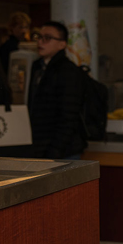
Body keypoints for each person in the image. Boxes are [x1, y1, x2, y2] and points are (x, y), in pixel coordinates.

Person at [27, 21, 86, 159]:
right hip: (39, 144)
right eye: (39, 37)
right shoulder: (38, 67)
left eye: (47, 38)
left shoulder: (68, 71)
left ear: (62, 44)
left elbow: (69, 115)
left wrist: (56, 149)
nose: (41, 42)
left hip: (62, 148)